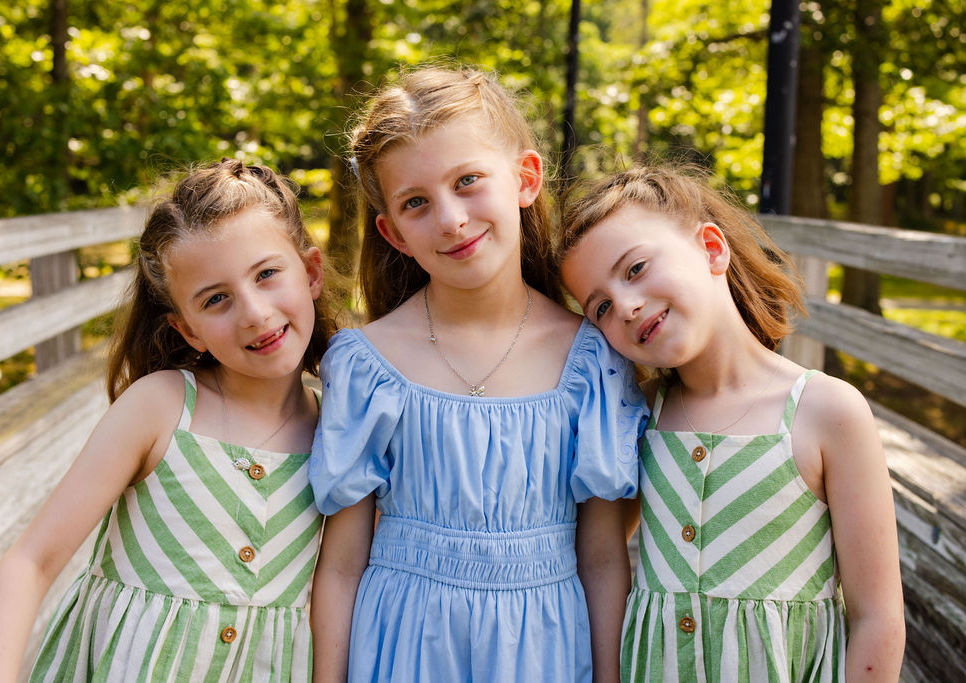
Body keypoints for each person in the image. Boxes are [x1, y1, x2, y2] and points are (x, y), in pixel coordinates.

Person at [308, 66, 649, 683]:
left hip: (544, 649)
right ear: (394, 234)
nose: (451, 219)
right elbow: (340, 564)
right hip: (400, 648)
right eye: (416, 203)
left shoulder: (592, 363)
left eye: (468, 181)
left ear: (524, 179)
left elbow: (602, 557)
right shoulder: (368, 367)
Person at [0, 159, 337, 682]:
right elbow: (30, 564)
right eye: (217, 299)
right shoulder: (161, 408)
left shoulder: (340, 432)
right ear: (188, 330)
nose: (254, 312)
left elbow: (336, 595)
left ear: (312, 272)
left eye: (267, 274)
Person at [559, 164, 906, 682]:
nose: (627, 308)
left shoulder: (827, 412)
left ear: (712, 248)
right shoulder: (634, 418)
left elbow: (877, 616)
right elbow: (602, 556)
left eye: (635, 269)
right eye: (601, 307)